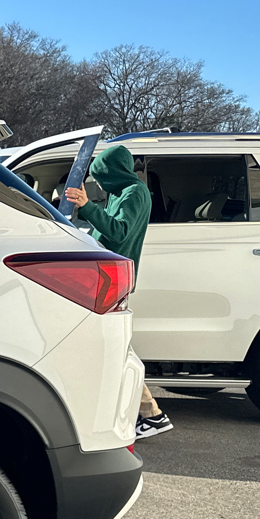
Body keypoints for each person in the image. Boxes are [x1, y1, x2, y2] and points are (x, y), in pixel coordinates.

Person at [63, 144, 171, 440]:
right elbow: (105, 230)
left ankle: (153, 414)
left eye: (101, 175)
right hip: (107, 278)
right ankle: (150, 413)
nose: (98, 182)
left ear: (115, 173)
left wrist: (87, 207)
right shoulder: (121, 193)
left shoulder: (135, 193)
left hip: (113, 280)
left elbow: (119, 231)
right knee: (115, 346)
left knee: (117, 348)